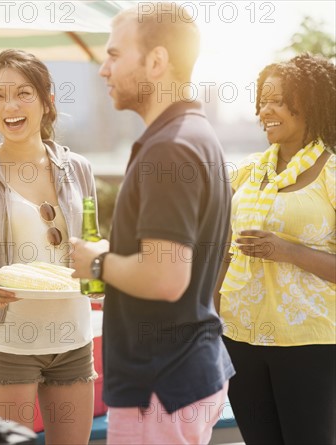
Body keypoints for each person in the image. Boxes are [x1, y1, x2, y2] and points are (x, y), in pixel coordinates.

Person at [70, 3, 234, 444]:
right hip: (186, 373)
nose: (103, 69)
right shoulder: (194, 135)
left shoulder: (169, 149)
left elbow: (165, 277)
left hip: (161, 383)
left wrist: (98, 261)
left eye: (115, 54)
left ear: (157, 61)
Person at [0, 49, 98, 443]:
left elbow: (92, 242)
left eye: (23, 93)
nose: (10, 106)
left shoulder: (77, 168)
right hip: (11, 341)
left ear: (47, 100)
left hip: (73, 337)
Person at [216, 53, 336, 444]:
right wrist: (208, 319)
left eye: (279, 100)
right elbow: (224, 252)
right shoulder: (249, 172)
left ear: (312, 104)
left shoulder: (331, 172)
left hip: (311, 343)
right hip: (240, 338)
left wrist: (288, 251)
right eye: (262, 100)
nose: (266, 109)